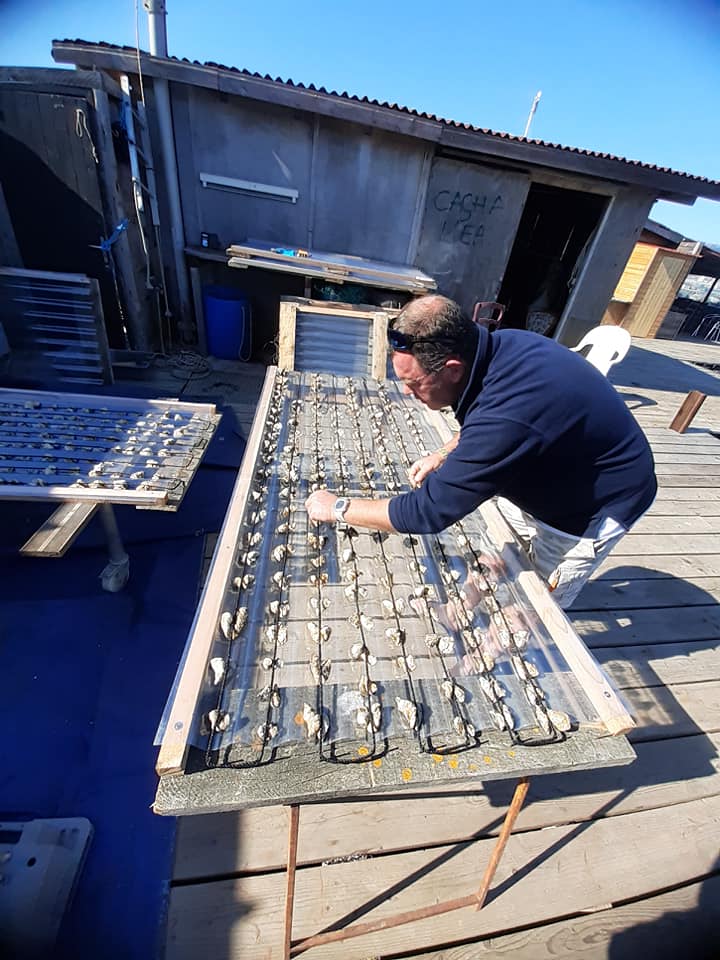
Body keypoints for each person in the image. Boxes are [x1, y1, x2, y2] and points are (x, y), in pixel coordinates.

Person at [305, 294, 657, 609]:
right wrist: (445, 452)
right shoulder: (498, 346)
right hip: (547, 466)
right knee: (498, 553)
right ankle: (459, 613)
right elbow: (498, 423)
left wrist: (336, 507)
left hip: (593, 506)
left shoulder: (507, 416)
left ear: (453, 369)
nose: (408, 393)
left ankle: (491, 652)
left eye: (413, 383)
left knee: (535, 606)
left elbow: (426, 513)